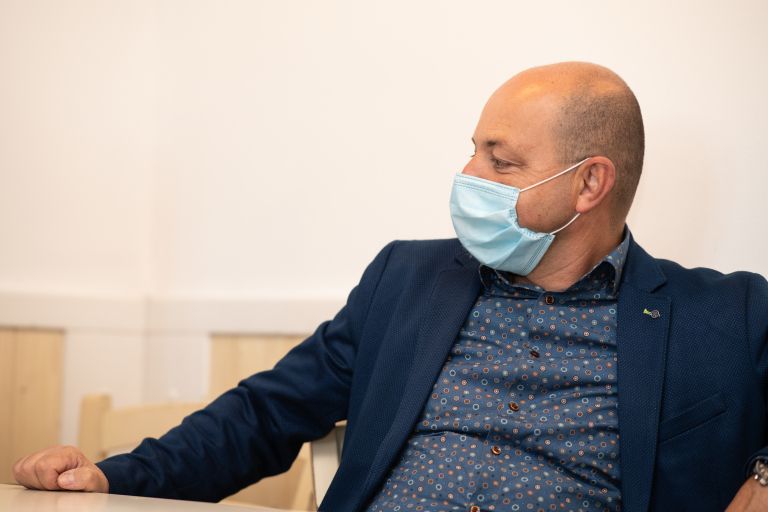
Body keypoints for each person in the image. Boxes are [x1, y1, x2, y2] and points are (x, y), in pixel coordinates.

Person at [12, 62, 768, 512]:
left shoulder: (728, 314)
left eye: (500, 161)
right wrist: (111, 476)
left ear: (589, 184)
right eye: (473, 151)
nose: (468, 175)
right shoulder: (407, 279)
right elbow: (265, 413)